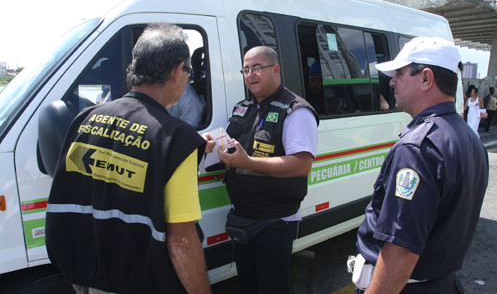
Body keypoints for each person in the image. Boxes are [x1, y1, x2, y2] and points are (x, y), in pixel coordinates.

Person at [45, 23, 210, 294]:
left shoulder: (85, 119)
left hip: (88, 278)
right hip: (143, 283)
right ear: (177, 71)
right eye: (188, 71)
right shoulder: (176, 140)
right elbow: (180, 241)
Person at [353, 37, 489, 293]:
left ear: (426, 78)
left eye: (400, 73)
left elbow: (401, 250)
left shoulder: (416, 149)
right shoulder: (467, 136)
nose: (392, 81)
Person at [211, 46, 318, 294]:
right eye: (246, 69)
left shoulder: (296, 110)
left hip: (275, 220)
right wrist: (211, 144)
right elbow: (230, 146)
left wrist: (247, 162)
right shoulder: (243, 107)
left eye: (258, 67)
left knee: (272, 287)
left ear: (276, 69)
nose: (251, 74)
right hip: (243, 215)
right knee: (248, 286)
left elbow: (301, 165)